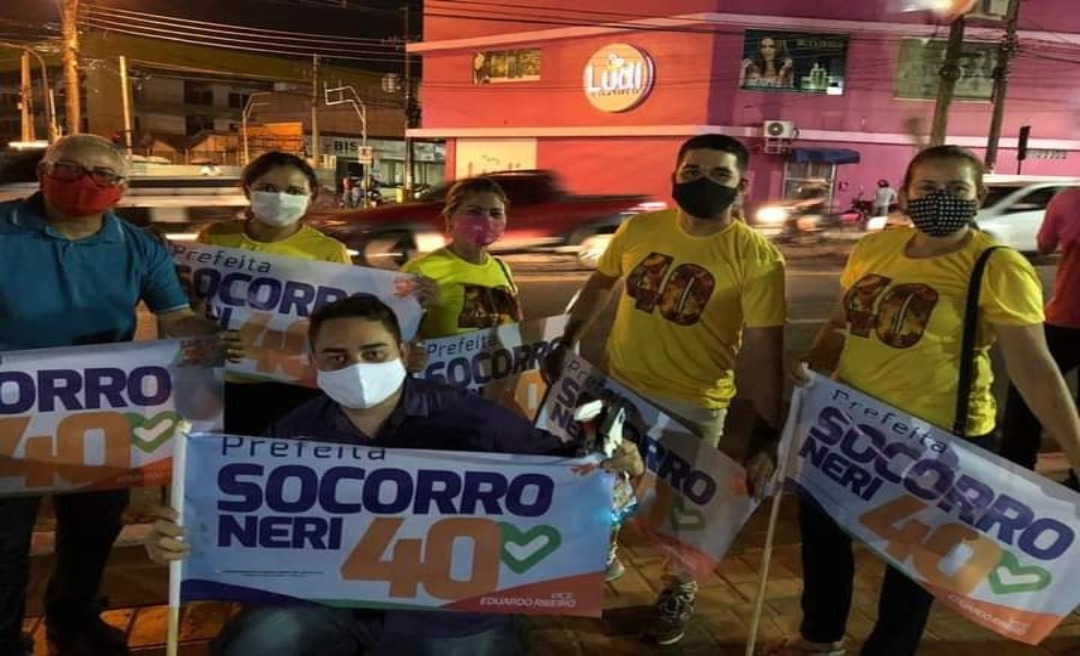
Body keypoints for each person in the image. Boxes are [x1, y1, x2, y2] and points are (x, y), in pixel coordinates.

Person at [145, 294, 645, 656]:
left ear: (402, 354)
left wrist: (618, 473)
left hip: (451, 609)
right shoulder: (288, 434)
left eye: (374, 353)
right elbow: (228, 519)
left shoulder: (474, 420)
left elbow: (573, 479)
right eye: (337, 357)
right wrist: (177, 538)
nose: (356, 366)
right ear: (314, 363)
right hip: (325, 600)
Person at [774, 145, 1080, 656]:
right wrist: (815, 360)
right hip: (851, 428)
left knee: (914, 564)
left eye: (957, 190)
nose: (942, 199)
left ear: (978, 196)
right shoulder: (874, 251)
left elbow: (1034, 368)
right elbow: (844, 320)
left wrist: (1076, 449)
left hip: (940, 438)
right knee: (823, 536)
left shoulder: (996, 266)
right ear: (907, 194)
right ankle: (820, 637)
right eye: (929, 189)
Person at [0, 134, 241, 656]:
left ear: (123, 188)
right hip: (10, 415)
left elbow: (174, 316)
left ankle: (75, 622)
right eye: (69, 168)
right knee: (3, 541)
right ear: (44, 171)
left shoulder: (139, 246)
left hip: (101, 413)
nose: (86, 183)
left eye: (103, 175)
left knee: (92, 530)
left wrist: (217, 335)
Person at [544, 134, 786, 646]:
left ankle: (677, 590)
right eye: (693, 170)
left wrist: (769, 426)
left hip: (695, 401)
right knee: (606, 479)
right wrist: (569, 337)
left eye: (720, 175)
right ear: (675, 176)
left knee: (683, 510)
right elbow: (600, 284)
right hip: (621, 388)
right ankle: (599, 555)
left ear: (741, 187)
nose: (703, 182)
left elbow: (765, 349)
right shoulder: (640, 228)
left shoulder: (757, 258)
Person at [193, 151, 354, 437]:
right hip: (225, 379)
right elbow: (192, 301)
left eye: (293, 191)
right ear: (248, 190)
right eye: (268, 189)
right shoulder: (215, 238)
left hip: (295, 384)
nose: (280, 198)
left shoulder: (328, 251)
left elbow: (344, 317)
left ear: (310, 196)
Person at [1001, 186, 1080, 490]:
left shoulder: (1067, 199)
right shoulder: (1068, 199)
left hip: (1066, 318)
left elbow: (1044, 245)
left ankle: (1014, 473)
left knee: (1027, 397)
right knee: (1031, 388)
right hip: (1064, 318)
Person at [401, 177, 522, 340]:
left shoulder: (502, 268)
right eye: (474, 212)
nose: (486, 220)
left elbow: (514, 331)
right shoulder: (420, 270)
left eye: (495, 213)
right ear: (450, 217)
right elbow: (394, 336)